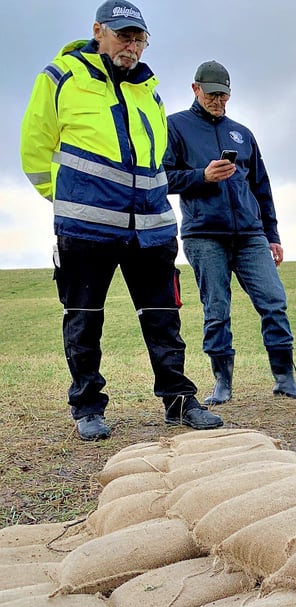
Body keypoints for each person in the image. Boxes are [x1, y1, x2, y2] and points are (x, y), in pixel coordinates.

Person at [19, 0, 222, 440]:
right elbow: (34, 150)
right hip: (85, 227)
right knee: (84, 318)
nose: (131, 45)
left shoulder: (150, 89)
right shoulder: (60, 77)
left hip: (151, 228)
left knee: (164, 318)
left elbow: (157, 160)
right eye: (123, 35)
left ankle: (179, 400)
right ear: (98, 31)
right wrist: (66, 198)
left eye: (138, 38)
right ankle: (88, 406)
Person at [163, 61, 296, 404]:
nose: (219, 101)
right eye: (213, 94)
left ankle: (285, 378)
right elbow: (163, 178)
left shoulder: (242, 133)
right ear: (195, 89)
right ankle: (222, 383)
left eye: (224, 95)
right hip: (204, 235)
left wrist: (272, 234)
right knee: (216, 309)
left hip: (250, 235)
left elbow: (262, 187)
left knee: (274, 303)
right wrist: (202, 175)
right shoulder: (175, 127)